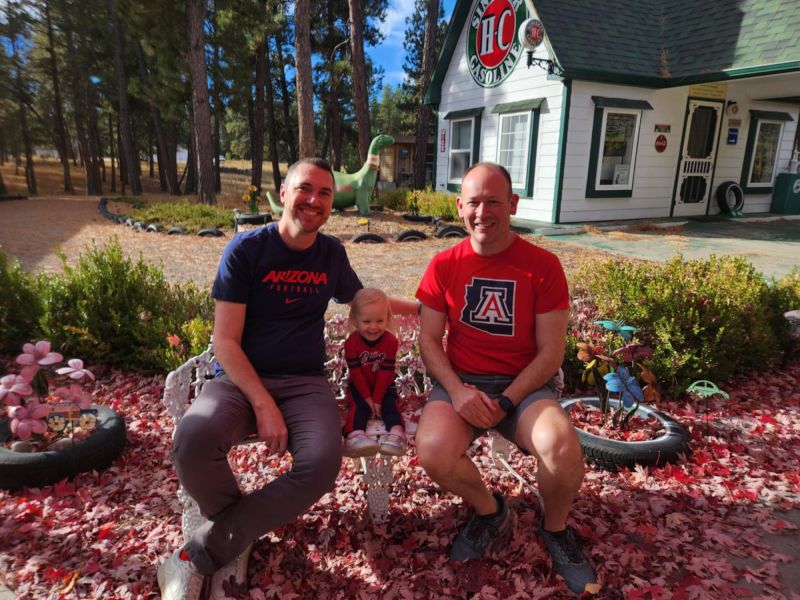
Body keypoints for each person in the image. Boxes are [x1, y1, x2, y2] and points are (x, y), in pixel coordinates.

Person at [157, 158, 415, 600]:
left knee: (321, 462)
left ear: (333, 202)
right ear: (283, 193)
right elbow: (225, 341)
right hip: (237, 381)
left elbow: (364, 300)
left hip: (304, 381)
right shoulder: (246, 251)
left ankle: (201, 552)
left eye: (325, 193)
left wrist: (427, 309)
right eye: (305, 189)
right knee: (192, 439)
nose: (314, 200)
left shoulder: (331, 253)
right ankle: (235, 534)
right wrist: (262, 403)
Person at [414, 162, 596, 595]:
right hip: (462, 381)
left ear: (512, 204)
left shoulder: (543, 266)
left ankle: (555, 531)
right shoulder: (442, 265)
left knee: (562, 447)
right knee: (433, 452)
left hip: (525, 384)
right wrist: (458, 392)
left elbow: (551, 353)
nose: (483, 212)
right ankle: (491, 511)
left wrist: (509, 400)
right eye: (473, 202)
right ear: (459, 207)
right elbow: (428, 341)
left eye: (493, 201)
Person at [342, 287, 406, 457]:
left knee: (390, 404)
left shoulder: (390, 341)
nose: (373, 327)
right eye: (367, 321)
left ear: (387, 319)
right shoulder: (351, 343)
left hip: (384, 385)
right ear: (355, 320)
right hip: (359, 385)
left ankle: (396, 433)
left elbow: (386, 372)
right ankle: (355, 435)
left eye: (379, 320)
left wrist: (377, 399)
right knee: (358, 406)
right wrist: (368, 398)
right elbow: (356, 373)